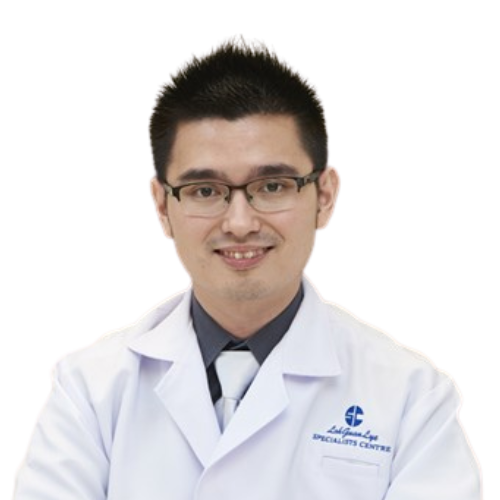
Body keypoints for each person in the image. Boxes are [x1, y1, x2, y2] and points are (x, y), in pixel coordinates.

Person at [12, 35, 482, 499]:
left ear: (325, 196)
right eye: (205, 191)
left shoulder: (412, 397)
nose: (239, 223)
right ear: (161, 206)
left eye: (272, 186)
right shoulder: (88, 389)